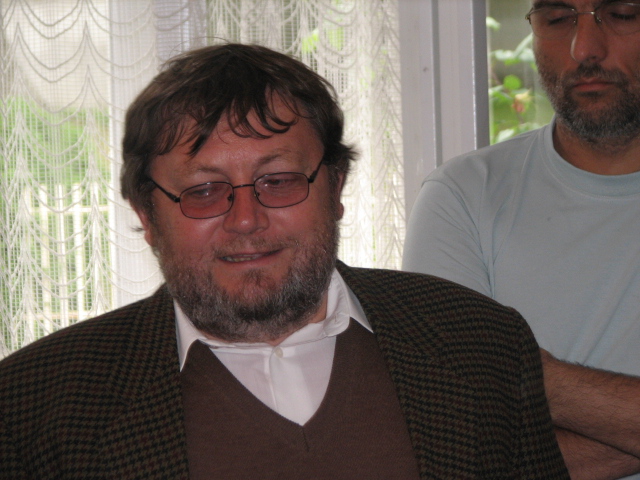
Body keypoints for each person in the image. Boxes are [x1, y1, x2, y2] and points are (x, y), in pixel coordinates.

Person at [0, 43, 568, 480]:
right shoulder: (32, 406)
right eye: (203, 191)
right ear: (147, 215)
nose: (246, 219)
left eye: (279, 180)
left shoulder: (485, 344)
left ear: (335, 187)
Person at [403, 1, 640, 479]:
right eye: (557, 18)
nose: (584, 48)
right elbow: (452, 450)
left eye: (621, 13)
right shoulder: (463, 197)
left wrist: (516, 371)